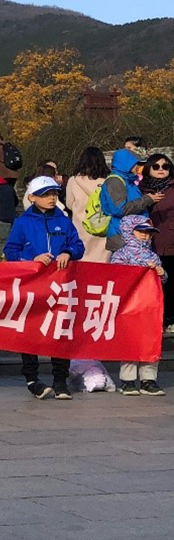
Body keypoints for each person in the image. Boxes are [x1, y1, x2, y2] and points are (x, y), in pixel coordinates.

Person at [3, 175, 86, 400]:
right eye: (45, 194)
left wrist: (68, 252)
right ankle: (32, 380)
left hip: (60, 286)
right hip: (32, 286)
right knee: (29, 332)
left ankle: (60, 381)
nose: (51, 198)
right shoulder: (23, 222)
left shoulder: (64, 220)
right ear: (32, 197)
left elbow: (78, 246)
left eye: (54, 193)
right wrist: (32, 259)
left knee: (60, 331)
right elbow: (10, 251)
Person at [109, 217, 166, 395]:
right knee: (130, 341)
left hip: (150, 305)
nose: (145, 236)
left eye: (148, 233)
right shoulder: (121, 254)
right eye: (141, 231)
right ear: (129, 231)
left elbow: (162, 281)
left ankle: (149, 379)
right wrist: (137, 271)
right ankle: (128, 380)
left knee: (150, 340)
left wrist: (161, 273)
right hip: (129, 305)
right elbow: (116, 276)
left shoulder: (153, 256)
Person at [101, 147, 162, 253]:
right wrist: (147, 200)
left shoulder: (128, 181)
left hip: (133, 236)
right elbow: (120, 209)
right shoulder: (115, 181)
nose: (138, 167)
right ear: (126, 164)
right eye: (135, 164)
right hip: (122, 237)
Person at [141, 153, 174, 332]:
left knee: (170, 281)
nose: (161, 170)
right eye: (156, 166)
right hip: (148, 243)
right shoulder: (140, 189)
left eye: (165, 166)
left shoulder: (172, 188)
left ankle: (170, 318)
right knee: (153, 284)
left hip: (170, 241)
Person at [66, 146, 111, 266]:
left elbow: (69, 204)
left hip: (81, 226)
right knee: (102, 263)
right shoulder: (108, 182)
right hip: (103, 226)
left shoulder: (73, 181)